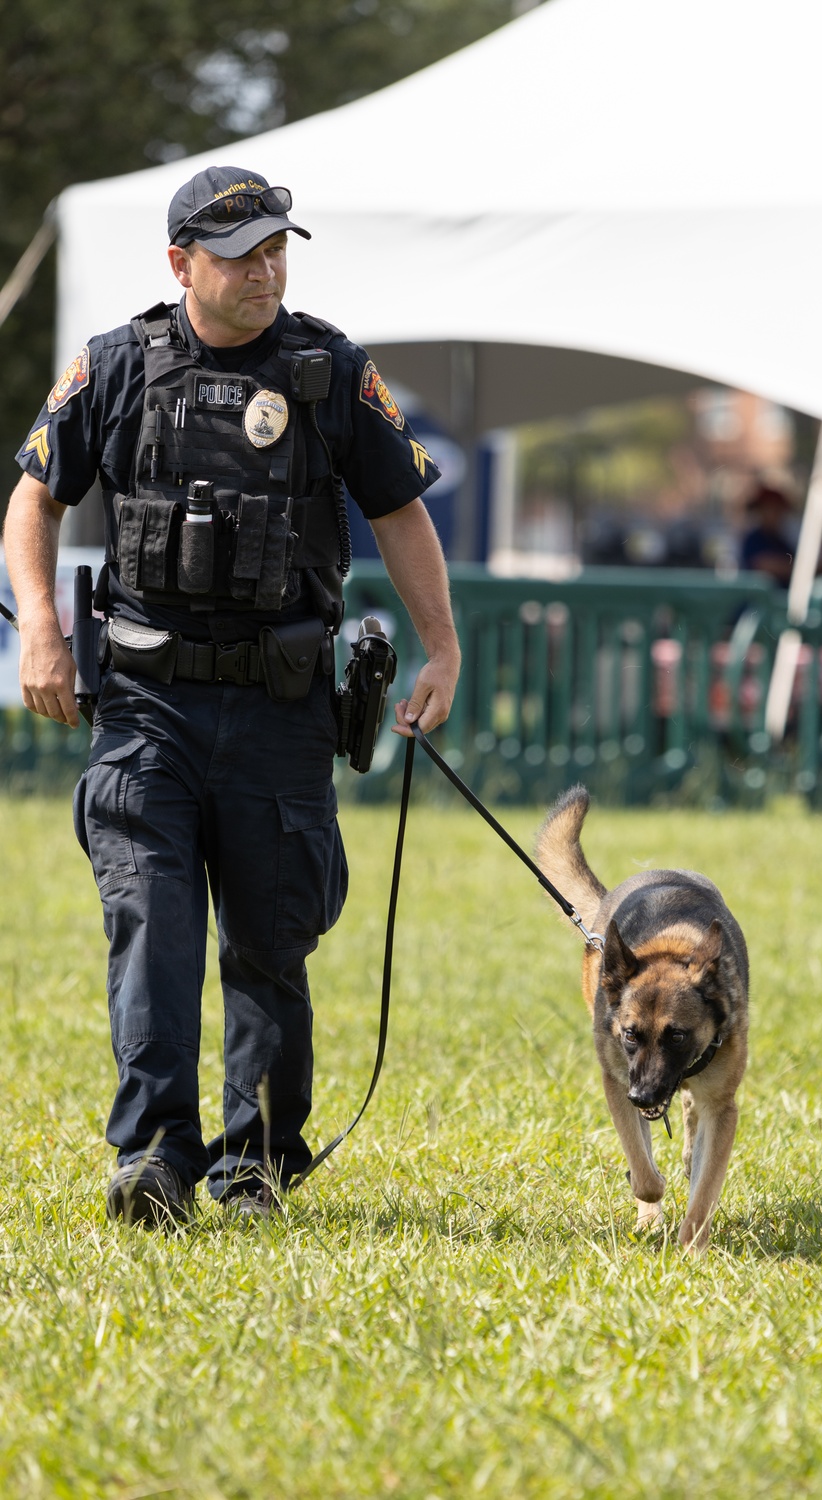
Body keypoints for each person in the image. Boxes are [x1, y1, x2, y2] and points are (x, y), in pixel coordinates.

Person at [2, 165, 461, 1226]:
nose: (264, 270)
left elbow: (399, 511)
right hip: (146, 708)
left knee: (268, 940)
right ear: (180, 265)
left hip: (279, 707)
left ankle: (253, 1158)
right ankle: (154, 1157)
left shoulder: (330, 371)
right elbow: (33, 497)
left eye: (275, 250)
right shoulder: (118, 364)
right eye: (240, 254)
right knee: (152, 928)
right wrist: (37, 622)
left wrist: (438, 647)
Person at [738, 482, 797, 585]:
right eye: (769, 508)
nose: (774, 514)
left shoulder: (781, 542)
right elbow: (763, 564)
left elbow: (792, 562)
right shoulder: (753, 539)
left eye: (778, 509)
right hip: (756, 599)